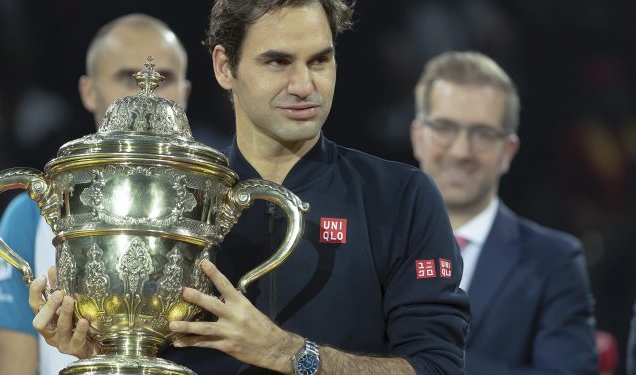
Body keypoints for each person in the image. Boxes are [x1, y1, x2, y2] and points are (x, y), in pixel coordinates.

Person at [30, 1, 470, 374]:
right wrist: (109, 352)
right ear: (225, 67)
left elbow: (437, 366)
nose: (304, 86)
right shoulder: (174, 197)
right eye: (277, 62)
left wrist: (291, 354)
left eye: (320, 60)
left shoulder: (401, 197)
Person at [0, 13, 193, 375]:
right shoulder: (32, 216)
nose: (147, 91)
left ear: (185, 92)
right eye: (127, 77)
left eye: (165, 79)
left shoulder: (217, 211)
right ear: (88, 92)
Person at [409, 51, 598, 374]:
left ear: (508, 151)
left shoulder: (555, 261)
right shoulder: (369, 244)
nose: (461, 151)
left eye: (482, 134)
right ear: (418, 137)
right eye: (444, 127)